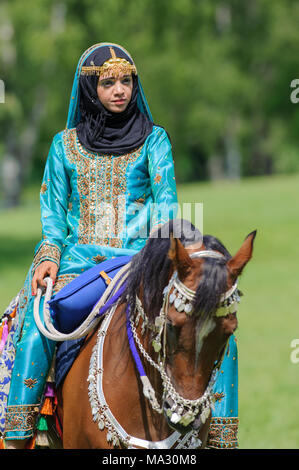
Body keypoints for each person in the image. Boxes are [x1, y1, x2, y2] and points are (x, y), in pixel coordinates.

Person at [0, 42, 178, 448]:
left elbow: (167, 212)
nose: (120, 90)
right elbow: (54, 219)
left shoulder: (155, 141)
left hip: (139, 263)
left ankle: (220, 436)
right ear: (88, 89)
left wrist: (162, 258)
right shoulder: (63, 146)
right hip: (77, 266)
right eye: (108, 82)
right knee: (36, 324)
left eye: (126, 81)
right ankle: (19, 435)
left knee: (209, 321)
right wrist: (48, 257)